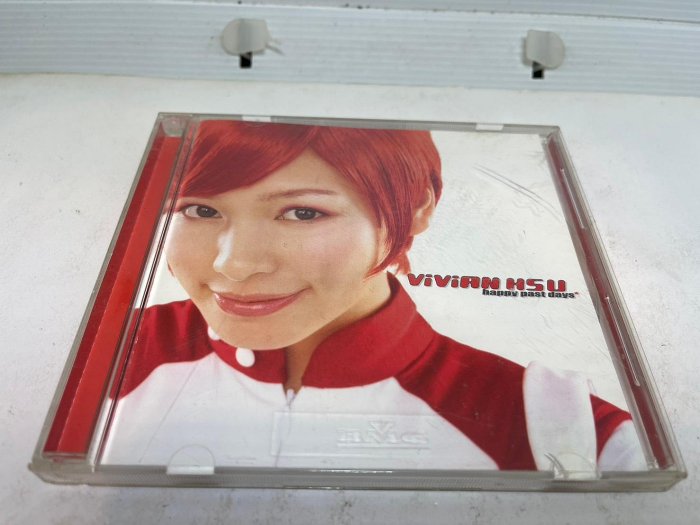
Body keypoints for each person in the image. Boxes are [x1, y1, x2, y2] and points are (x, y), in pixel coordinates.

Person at [102, 120, 646, 474]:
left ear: (418, 209)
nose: (234, 264)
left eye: (302, 212)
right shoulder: (100, 359)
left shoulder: (573, 434)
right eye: (200, 209)